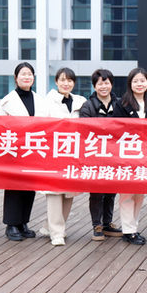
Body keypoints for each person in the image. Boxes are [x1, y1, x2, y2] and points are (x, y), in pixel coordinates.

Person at [0, 62, 49, 241]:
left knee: (29, 188)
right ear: (16, 78)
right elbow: (0, 127)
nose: (26, 77)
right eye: (23, 74)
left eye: (29, 74)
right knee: (14, 188)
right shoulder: (7, 101)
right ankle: (11, 224)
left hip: (33, 150)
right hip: (13, 151)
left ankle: (23, 222)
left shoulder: (40, 100)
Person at [43, 67, 86, 246]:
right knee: (54, 192)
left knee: (69, 193)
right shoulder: (47, 102)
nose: (66, 83)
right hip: (54, 153)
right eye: (62, 80)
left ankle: (50, 227)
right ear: (56, 82)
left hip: (73, 153)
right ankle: (57, 233)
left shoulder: (80, 101)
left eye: (69, 80)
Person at [113, 67, 147, 245]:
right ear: (130, 84)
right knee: (126, 194)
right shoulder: (121, 104)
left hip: (146, 156)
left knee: (140, 194)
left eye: (142, 81)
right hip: (127, 155)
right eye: (136, 81)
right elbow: (116, 129)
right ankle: (128, 230)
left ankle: (133, 227)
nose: (139, 84)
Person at [79, 69, 123, 241]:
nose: (103, 86)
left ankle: (107, 223)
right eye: (100, 83)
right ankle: (96, 225)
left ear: (111, 84)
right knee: (97, 191)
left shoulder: (120, 103)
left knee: (111, 190)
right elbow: (84, 130)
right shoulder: (87, 106)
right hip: (95, 154)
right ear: (94, 86)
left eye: (106, 83)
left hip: (115, 154)